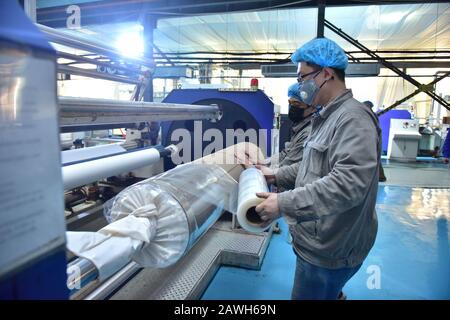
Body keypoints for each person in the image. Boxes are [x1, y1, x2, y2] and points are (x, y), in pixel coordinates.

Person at [251, 38, 381, 300]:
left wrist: (284, 203)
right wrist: (275, 174)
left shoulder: (352, 119)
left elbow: (347, 185)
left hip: (330, 248)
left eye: (303, 78)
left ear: (326, 74)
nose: (301, 86)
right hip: (318, 238)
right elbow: (312, 166)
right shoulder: (327, 117)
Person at [268, 82, 314, 169]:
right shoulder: (299, 127)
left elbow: (289, 163)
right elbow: (286, 153)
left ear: (312, 107)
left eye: (296, 104)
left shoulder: (308, 132)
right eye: (290, 103)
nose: (292, 107)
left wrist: (267, 171)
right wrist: (263, 163)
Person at [362, 101, 387, 182]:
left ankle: (380, 176)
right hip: (374, 139)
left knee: (374, 159)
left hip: (371, 139)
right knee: (375, 159)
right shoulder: (372, 115)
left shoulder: (367, 115)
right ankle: (380, 176)